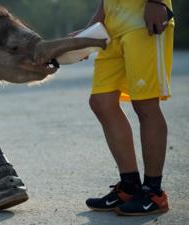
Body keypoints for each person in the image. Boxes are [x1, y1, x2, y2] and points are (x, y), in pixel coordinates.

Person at [77, 0, 174, 216]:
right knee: (101, 102)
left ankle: (154, 193)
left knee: (146, 104)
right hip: (112, 27)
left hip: (143, 20)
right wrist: (89, 31)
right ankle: (129, 186)